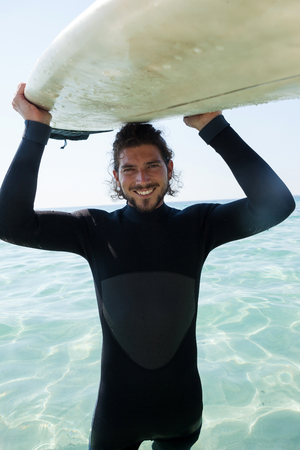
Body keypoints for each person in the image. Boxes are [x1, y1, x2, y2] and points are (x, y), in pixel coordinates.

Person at [0, 83, 295, 450]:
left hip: (182, 415)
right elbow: (10, 224)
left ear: (169, 168)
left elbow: (278, 204)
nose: (142, 180)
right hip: (117, 418)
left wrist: (213, 126)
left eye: (152, 166)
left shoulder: (198, 225)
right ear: (116, 176)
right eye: (130, 169)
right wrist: (35, 130)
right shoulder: (93, 229)